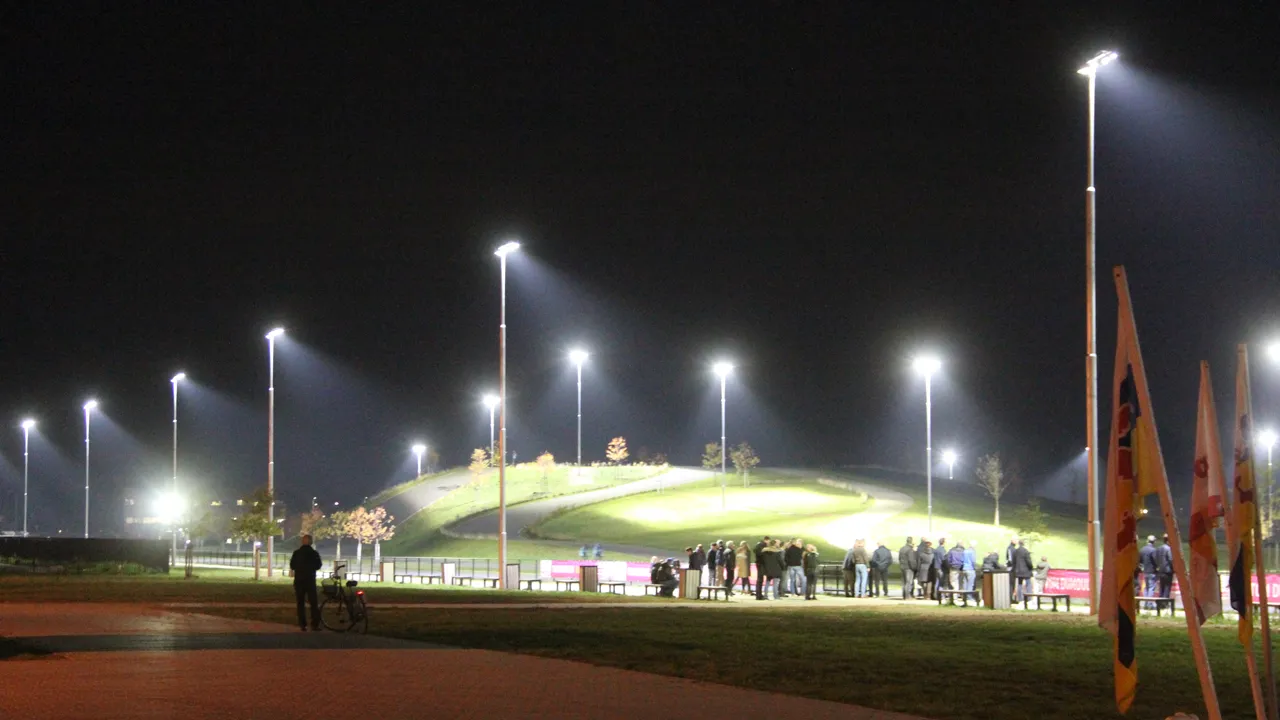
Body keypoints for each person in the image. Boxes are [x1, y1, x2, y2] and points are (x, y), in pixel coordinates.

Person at [289, 534, 323, 631]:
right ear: (311, 542)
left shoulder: (297, 553)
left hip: (299, 580)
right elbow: (318, 565)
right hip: (310, 580)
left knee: (300, 603)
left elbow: (292, 565)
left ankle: (302, 624)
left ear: (302, 542)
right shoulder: (314, 553)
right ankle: (314, 624)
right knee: (313, 603)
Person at [1138, 535, 1158, 606]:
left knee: (1146, 587)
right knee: (1151, 587)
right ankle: (1149, 604)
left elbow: (1139, 561)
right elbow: (1156, 561)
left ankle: (1146, 603)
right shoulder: (1153, 550)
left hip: (1145, 571)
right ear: (1154, 541)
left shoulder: (1142, 549)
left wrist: (1142, 567)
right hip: (1152, 571)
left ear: (1147, 541)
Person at [1156, 535, 1174, 599]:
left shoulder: (1159, 548)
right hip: (1168, 572)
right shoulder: (1169, 549)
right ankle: (1165, 602)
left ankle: (1160, 602)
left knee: (1161, 588)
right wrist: (1174, 569)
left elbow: (1156, 559)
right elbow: (1171, 560)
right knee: (1167, 587)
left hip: (1160, 571)